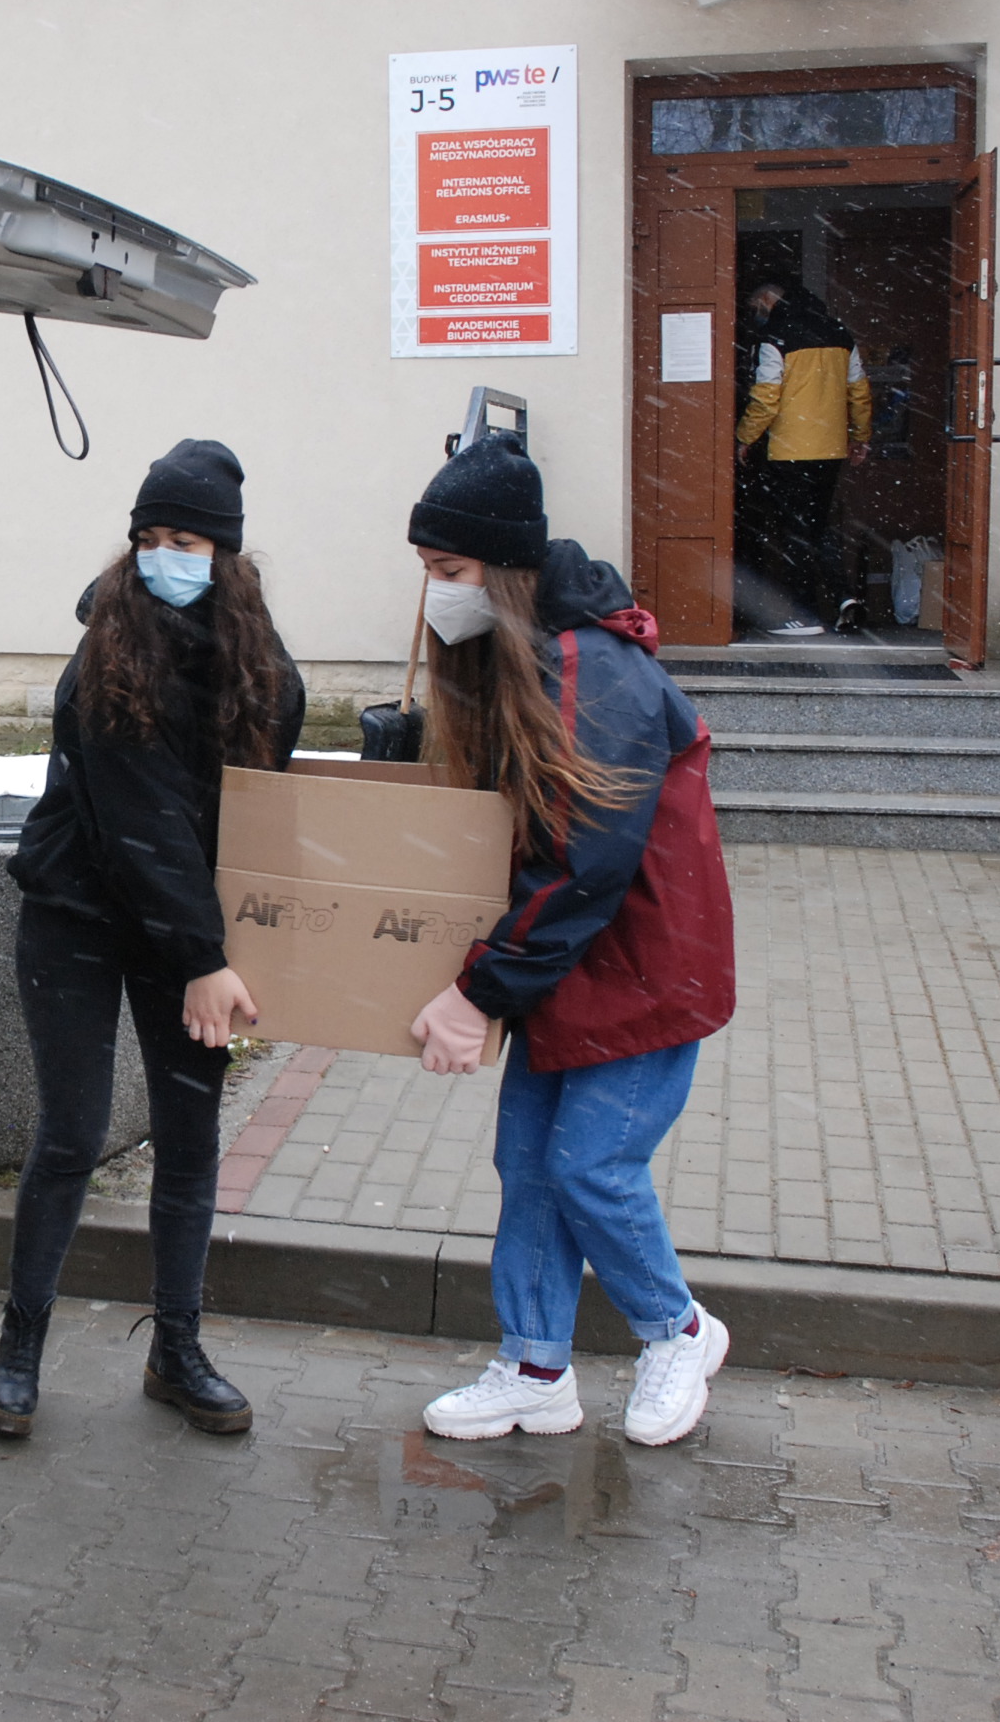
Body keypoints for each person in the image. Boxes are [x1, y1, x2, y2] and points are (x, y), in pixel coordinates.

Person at [400, 433, 739, 1447]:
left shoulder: (597, 672)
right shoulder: (537, 656)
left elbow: (582, 863)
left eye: (450, 570)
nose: (436, 594)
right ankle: (536, 1367)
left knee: (592, 1167)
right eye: (426, 570)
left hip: (641, 972)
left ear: (504, 570)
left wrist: (475, 994)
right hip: (572, 965)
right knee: (531, 1164)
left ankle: (678, 1331)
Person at [0, 440, 305, 1440]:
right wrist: (203, 960)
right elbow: (144, 823)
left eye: (188, 541)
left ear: (225, 555)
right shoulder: (105, 659)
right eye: (151, 537)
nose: (166, 555)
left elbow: (258, 792)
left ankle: (177, 1350)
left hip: (185, 928)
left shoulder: (254, 658)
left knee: (190, 1138)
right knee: (72, 1136)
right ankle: (18, 1346)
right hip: (78, 915)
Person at [736, 279, 873, 637]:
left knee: (795, 532)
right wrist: (861, 437)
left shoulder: (775, 338)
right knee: (818, 526)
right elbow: (859, 391)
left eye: (755, 306)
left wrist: (744, 437)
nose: (755, 313)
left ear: (768, 299)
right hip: (831, 449)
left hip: (789, 450)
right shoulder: (840, 335)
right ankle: (844, 597)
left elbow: (766, 397)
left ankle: (803, 615)